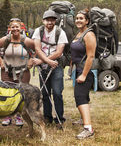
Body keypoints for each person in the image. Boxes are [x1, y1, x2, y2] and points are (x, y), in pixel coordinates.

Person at [32, 10, 68, 126]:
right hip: (43, 67)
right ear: (43, 21)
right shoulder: (38, 31)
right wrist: (46, 61)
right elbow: (37, 49)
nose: (50, 22)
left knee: (57, 92)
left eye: (52, 20)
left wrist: (43, 60)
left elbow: (59, 52)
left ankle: (59, 119)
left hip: (56, 65)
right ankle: (47, 117)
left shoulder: (60, 32)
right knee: (45, 93)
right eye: (48, 20)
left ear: (55, 21)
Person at [0, 18, 35, 126]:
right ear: (9, 29)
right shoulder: (5, 40)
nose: (15, 29)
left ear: (21, 28)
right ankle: (7, 116)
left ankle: (19, 116)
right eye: (12, 27)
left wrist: (31, 60)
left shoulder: (26, 40)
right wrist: (0, 61)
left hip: (23, 71)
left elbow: (37, 49)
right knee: (6, 93)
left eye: (17, 27)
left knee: (22, 94)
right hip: (7, 70)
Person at [70, 9, 96, 139]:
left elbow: (91, 56)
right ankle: (83, 119)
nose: (78, 20)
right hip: (78, 70)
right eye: (77, 18)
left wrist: (84, 75)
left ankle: (88, 128)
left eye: (81, 18)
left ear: (87, 21)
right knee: (83, 96)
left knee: (80, 97)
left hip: (86, 71)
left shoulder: (89, 35)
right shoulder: (79, 34)